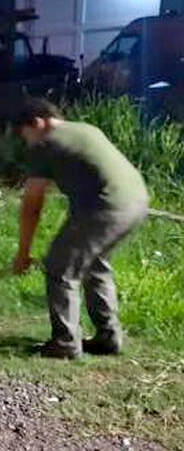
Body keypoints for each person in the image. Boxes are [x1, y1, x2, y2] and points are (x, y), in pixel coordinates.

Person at [11, 98, 148, 359]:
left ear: (37, 123)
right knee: (95, 265)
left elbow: (32, 205)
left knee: (60, 267)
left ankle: (65, 343)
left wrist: (23, 254)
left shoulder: (47, 144)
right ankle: (109, 337)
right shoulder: (86, 129)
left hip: (106, 207)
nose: (25, 141)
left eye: (23, 134)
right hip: (136, 201)